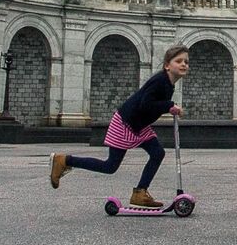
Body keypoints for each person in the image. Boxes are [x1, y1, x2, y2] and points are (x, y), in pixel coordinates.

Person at [51, 44, 189, 208]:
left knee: (158, 153)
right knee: (110, 166)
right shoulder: (160, 81)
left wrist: (168, 106)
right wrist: (169, 106)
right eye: (178, 61)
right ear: (167, 65)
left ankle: (140, 192)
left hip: (138, 125)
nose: (183, 64)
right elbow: (146, 104)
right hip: (125, 123)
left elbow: (151, 105)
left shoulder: (168, 83)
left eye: (186, 62)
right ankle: (65, 160)